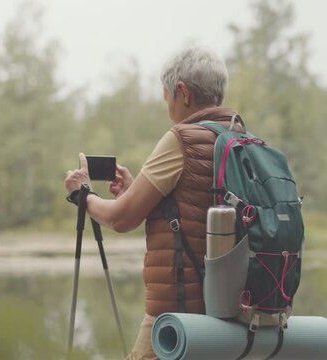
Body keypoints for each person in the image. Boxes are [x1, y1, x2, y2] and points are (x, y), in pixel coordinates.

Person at [64, 46, 240, 360]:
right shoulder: (241, 140)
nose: (167, 106)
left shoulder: (182, 139)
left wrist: (83, 196)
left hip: (179, 316)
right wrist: (138, 192)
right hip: (237, 314)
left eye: (166, 97)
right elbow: (198, 207)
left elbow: (121, 219)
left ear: (182, 93)